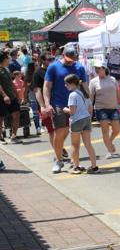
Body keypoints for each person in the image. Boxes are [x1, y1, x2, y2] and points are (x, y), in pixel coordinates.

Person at [44, 44, 87, 172]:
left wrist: (89, 102)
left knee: (75, 134)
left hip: (76, 105)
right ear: (63, 55)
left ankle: (74, 161)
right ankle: (59, 160)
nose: (70, 62)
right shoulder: (53, 67)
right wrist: (47, 104)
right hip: (59, 104)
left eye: (73, 59)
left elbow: (84, 86)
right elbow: (47, 86)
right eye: (68, 60)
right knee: (60, 132)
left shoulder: (79, 67)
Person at [63, 74, 98, 174]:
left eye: (67, 84)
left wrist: (65, 109)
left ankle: (76, 167)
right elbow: (90, 109)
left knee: (75, 145)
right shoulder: (85, 94)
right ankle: (94, 167)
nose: (65, 86)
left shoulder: (72, 95)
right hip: (86, 119)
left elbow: (72, 111)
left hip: (76, 121)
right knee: (88, 144)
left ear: (72, 84)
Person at [89, 59, 120, 159]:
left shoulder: (112, 79)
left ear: (104, 69)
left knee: (116, 130)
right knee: (105, 131)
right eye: (96, 68)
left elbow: (118, 93)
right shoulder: (93, 81)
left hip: (113, 108)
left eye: (99, 68)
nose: (97, 70)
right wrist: (89, 109)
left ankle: (110, 142)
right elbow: (91, 96)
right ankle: (109, 150)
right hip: (100, 109)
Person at [33, 53, 57, 150]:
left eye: (52, 59)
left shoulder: (54, 70)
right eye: (49, 59)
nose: (51, 61)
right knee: (51, 130)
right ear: (42, 60)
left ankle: (59, 147)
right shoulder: (38, 73)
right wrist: (42, 106)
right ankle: (58, 150)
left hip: (57, 103)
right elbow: (37, 90)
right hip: (45, 105)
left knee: (61, 129)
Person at [0, 52, 22, 143]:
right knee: (1, 118)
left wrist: (17, 95)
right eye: (7, 58)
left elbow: (11, 83)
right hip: (2, 98)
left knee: (16, 114)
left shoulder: (6, 69)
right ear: (3, 59)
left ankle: (13, 136)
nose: (9, 60)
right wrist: (5, 96)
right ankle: (0, 137)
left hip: (12, 96)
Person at [23, 62, 41, 135]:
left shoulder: (39, 74)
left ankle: (41, 126)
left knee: (39, 111)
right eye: (36, 65)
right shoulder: (29, 77)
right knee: (36, 112)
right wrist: (25, 98)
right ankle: (38, 127)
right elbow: (26, 88)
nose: (38, 66)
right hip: (34, 94)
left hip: (37, 94)